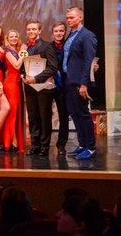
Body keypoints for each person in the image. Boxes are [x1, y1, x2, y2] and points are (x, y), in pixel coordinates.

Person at [63, 7, 99, 160]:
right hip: (68, 80)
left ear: (80, 18)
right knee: (75, 114)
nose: (68, 20)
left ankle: (91, 147)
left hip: (79, 82)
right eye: (67, 18)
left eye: (71, 17)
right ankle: (82, 144)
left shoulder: (87, 35)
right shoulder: (71, 35)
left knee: (83, 115)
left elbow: (88, 61)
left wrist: (84, 84)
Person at [22, 19, 58, 157]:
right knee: (32, 117)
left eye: (33, 29)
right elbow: (22, 66)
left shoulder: (47, 46)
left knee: (44, 116)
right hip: (29, 86)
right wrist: (23, 76)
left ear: (39, 31)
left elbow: (53, 67)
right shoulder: (25, 48)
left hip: (43, 87)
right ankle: (35, 145)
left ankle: (44, 146)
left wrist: (36, 78)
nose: (31, 31)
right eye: (29, 29)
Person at [2, 29, 26, 152]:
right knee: (12, 113)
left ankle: (14, 139)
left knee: (16, 113)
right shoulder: (8, 51)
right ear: (7, 39)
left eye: (16, 36)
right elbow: (16, 65)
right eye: (11, 37)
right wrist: (23, 53)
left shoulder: (17, 50)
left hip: (17, 83)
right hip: (11, 84)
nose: (14, 38)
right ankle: (10, 141)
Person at [51, 21, 69, 156]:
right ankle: (43, 143)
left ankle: (61, 145)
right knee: (45, 116)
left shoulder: (69, 45)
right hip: (49, 85)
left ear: (65, 32)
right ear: (52, 33)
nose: (58, 33)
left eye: (61, 31)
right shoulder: (47, 47)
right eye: (56, 31)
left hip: (64, 86)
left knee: (63, 116)